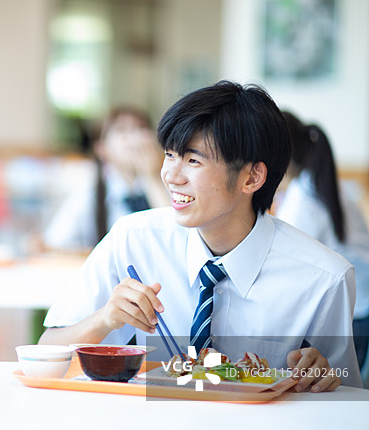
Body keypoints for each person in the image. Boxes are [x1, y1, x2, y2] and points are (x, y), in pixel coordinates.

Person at [40, 80, 362, 393]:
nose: (170, 176)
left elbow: (345, 398)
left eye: (193, 160)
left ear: (252, 177)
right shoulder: (133, 240)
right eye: (169, 155)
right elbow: (46, 352)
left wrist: (324, 378)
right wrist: (104, 319)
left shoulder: (323, 279)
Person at [275, 111, 369, 383]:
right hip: (362, 300)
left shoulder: (301, 202)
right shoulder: (323, 186)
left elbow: (289, 267)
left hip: (355, 307)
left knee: (343, 385)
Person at [42, 107, 168, 252]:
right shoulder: (90, 191)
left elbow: (176, 234)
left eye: (141, 128)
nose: (134, 137)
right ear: (101, 148)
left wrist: (151, 178)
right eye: (121, 130)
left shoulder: (171, 182)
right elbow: (55, 241)